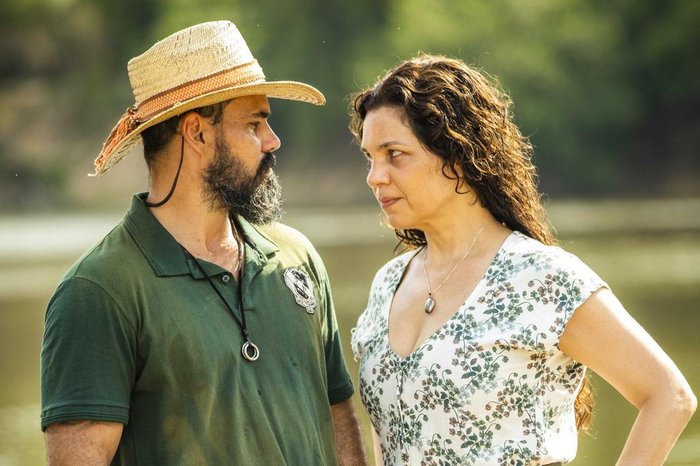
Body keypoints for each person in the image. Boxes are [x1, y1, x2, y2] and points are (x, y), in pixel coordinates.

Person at [40, 20, 367, 465]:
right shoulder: (98, 291)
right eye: (254, 123)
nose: (273, 141)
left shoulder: (296, 258)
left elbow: (336, 416)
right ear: (196, 133)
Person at [349, 54, 696, 465]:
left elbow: (668, 395)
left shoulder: (539, 278)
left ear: (457, 153)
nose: (375, 176)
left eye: (394, 153)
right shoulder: (388, 283)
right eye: (370, 157)